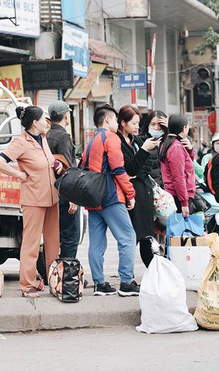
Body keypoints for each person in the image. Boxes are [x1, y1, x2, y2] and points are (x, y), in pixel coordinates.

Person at [0, 105, 63, 298]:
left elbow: (45, 163)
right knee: (31, 243)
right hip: (33, 198)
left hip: (51, 197)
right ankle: (27, 285)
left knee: (53, 243)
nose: (46, 122)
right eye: (43, 119)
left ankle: (54, 280)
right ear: (34, 122)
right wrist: (20, 175)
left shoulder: (43, 138)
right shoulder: (20, 142)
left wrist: (55, 166)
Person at [82, 105, 139, 297]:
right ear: (107, 120)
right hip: (110, 196)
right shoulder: (111, 138)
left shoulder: (90, 142)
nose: (116, 123)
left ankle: (99, 284)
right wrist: (130, 194)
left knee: (97, 242)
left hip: (92, 197)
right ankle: (126, 282)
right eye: (115, 120)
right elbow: (118, 169)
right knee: (127, 237)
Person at [116, 105, 160, 243]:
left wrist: (136, 169)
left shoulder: (136, 140)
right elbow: (129, 169)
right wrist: (143, 151)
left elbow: (148, 165)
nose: (136, 127)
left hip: (144, 190)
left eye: (138, 123)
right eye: (134, 123)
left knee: (147, 236)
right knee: (130, 236)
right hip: (129, 193)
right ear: (123, 123)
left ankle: (151, 263)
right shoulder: (117, 142)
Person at [45, 101, 80, 259]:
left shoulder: (45, 136)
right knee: (70, 237)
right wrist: (74, 197)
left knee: (55, 236)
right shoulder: (63, 137)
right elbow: (68, 169)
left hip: (50, 191)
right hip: (66, 193)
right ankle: (68, 274)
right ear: (66, 115)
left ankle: (55, 273)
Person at [159, 114, 196, 218]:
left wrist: (189, 150)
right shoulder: (175, 147)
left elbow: (187, 166)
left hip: (179, 195)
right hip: (179, 197)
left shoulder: (173, 144)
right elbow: (178, 177)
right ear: (184, 128)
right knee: (181, 233)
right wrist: (184, 203)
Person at [139, 110, 169, 188]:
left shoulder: (168, 142)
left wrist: (170, 130)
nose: (156, 128)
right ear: (147, 125)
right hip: (149, 188)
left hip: (166, 190)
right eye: (153, 124)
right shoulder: (141, 142)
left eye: (160, 125)